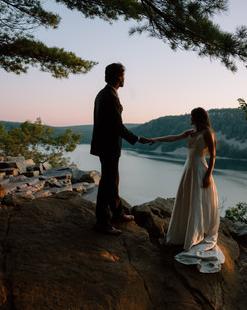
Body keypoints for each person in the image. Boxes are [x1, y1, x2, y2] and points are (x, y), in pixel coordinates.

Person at [149, 107, 225, 273]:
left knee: (197, 201)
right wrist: (156, 139)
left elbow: (212, 156)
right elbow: (173, 138)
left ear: (197, 118)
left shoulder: (207, 133)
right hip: (188, 169)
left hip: (199, 170)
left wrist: (207, 176)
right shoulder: (191, 132)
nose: (189, 118)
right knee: (186, 200)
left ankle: (196, 235)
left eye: (191, 116)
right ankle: (184, 233)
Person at [90, 63, 150, 235]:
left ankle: (117, 213)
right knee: (107, 183)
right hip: (109, 146)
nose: (125, 79)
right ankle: (102, 222)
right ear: (118, 76)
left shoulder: (103, 94)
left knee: (113, 179)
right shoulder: (110, 96)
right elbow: (117, 126)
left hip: (104, 145)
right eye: (124, 75)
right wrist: (137, 139)